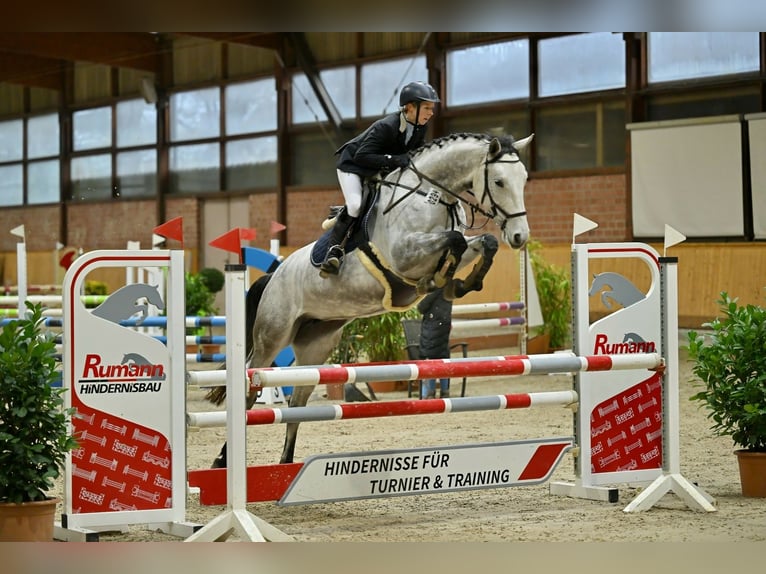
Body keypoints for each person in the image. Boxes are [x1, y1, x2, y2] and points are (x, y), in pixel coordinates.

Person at [320, 81, 440, 277]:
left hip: (377, 167)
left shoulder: (420, 128)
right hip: (353, 166)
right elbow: (362, 156)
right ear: (410, 107)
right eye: (427, 107)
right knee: (356, 205)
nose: (431, 112)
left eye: (432, 108)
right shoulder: (387, 126)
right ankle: (333, 251)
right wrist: (394, 159)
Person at [416, 287, 453, 399]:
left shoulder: (434, 289)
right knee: (443, 360)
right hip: (443, 326)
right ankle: (445, 391)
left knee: (431, 360)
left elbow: (421, 307)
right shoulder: (448, 288)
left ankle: (429, 392)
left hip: (432, 329)